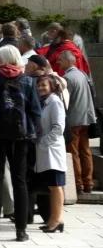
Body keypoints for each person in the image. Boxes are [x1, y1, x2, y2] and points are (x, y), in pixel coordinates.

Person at [0, 45, 42, 242]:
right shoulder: (28, 82)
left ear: (1, 59)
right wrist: (31, 132)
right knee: (20, 181)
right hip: (21, 137)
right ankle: (21, 231)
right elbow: (36, 112)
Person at [59, 51, 96, 193]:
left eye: (61, 60)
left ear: (68, 61)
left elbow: (65, 102)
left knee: (74, 151)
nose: (59, 63)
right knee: (85, 151)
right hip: (86, 118)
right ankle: (89, 183)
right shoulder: (82, 75)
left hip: (74, 119)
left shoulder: (67, 78)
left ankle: (78, 183)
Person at [34, 75, 67, 233]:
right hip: (46, 150)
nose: (40, 87)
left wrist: (42, 142)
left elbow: (59, 128)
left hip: (52, 150)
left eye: (44, 85)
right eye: (39, 84)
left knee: (56, 186)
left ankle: (56, 219)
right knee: (53, 186)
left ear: (52, 86)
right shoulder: (45, 102)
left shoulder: (55, 102)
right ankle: (55, 219)